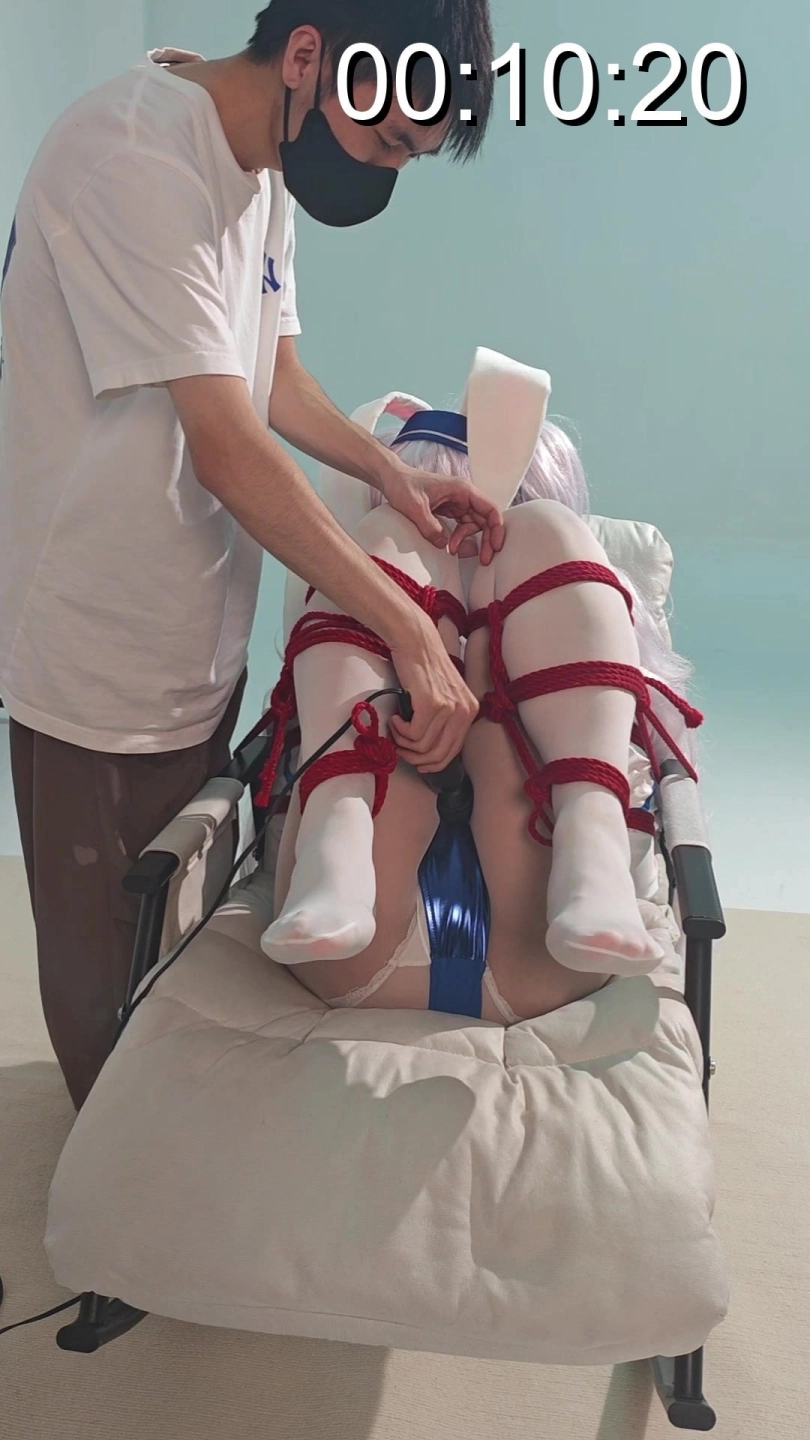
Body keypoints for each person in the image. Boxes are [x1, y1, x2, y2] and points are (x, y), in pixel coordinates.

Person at [0, 2, 499, 1109]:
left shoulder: (265, 163)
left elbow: (273, 375)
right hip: (95, 647)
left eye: (408, 157)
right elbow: (228, 447)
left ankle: (163, 1141)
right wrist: (408, 630)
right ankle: (113, 1189)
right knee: (101, 991)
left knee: (176, 932)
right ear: (308, 56)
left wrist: (390, 474)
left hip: (192, 629)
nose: (384, 172)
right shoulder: (132, 157)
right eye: (384, 142)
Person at [258, 387, 703, 1025]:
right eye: (442, 530)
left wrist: (479, 647)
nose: (458, 544)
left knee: (543, 527)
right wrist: (433, 641)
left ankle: (590, 855)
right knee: (378, 541)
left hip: (538, 942)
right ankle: (337, 846)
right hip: (407, 948)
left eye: (479, 527)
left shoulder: (557, 576)